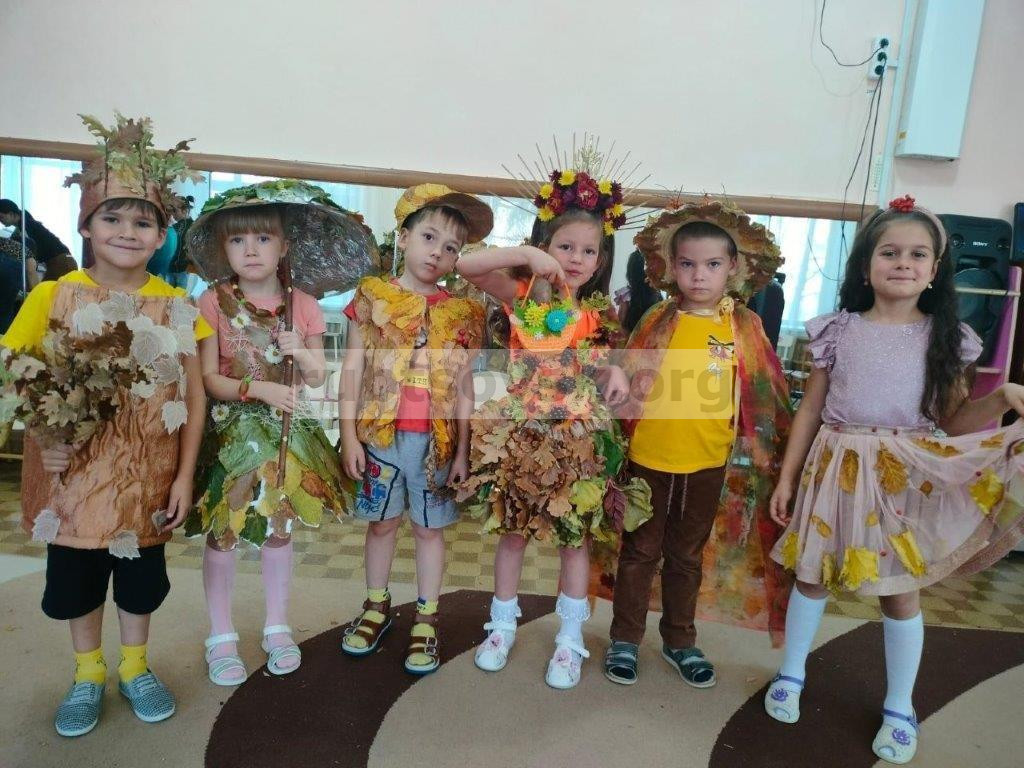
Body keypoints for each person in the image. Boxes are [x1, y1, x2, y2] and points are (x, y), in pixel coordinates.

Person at [764, 195, 1024, 764]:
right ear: (866, 266)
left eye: (917, 254)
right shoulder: (838, 330)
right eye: (889, 252)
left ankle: (900, 705)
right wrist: (787, 477)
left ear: (935, 271)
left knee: (899, 591)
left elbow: (955, 420)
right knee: (811, 575)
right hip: (835, 466)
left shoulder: (946, 338)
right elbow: (811, 410)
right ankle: (791, 673)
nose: (903, 263)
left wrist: (1002, 397)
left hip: (903, 474)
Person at [1, 114, 209, 736]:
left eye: (142, 222)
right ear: (86, 225)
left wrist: (184, 476)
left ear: (162, 235)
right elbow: (16, 373)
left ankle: (134, 666)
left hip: (149, 475)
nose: (126, 232)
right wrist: (43, 436)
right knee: (77, 582)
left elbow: (196, 395)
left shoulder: (179, 306)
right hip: (72, 476)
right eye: (111, 219)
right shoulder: (53, 296)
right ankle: (88, 672)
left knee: (141, 583)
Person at [457, 155, 653, 689]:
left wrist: (614, 369)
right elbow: (467, 267)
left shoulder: (600, 312)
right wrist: (526, 256)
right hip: (520, 433)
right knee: (512, 534)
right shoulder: (521, 294)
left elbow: (600, 363)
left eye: (588, 251)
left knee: (574, 539)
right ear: (546, 244)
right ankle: (501, 627)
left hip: (578, 438)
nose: (576, 258)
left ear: (601, 259)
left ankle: (569, 640)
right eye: (565, 246)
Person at [598, 198, 792, 688]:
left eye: (712, 265)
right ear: (670, 266)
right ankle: (625, 638)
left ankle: (680, 639)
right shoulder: (656, 319)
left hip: (707, 462)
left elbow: (763, 394)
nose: (699, 275)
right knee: (640, 552)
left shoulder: (743, 326)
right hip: (648, 458)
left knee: (687, 556)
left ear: (734, 267)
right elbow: (626, 377)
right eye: (687, 264)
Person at [183, 180, 361, 684]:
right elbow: (209, 378)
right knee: (223, 531)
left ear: (283, 247)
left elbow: (317, 376)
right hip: (231, 432)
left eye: (263, 239)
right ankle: (221, 634)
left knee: (279, 530)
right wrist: (257, 389)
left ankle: (277, 626)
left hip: (288, 433)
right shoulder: (212, 301)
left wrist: (298, 349)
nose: (251, 250)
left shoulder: (302, 304)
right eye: (238, 240)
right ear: (224, 249)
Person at [339, 183, 491, 675]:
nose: (438, 253)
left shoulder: (463, 312)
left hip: (436, 444)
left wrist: (463, 450)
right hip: (378, 438)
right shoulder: (372, 297)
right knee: (382, 524)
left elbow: (465, 385)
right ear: (403, 237)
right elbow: (353, 368)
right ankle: (375, 605)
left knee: (429, 529)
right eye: (428, 237)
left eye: (451, 247)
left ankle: (426, 617)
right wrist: (348, 434)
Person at [0, 199, 76, 280]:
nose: (1, 221)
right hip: (66, 260)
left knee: (44, 288)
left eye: (1, 217)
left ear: (11, 214)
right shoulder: (26, 223)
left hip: (60, 262)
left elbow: (29, 255)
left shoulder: (26, 227)